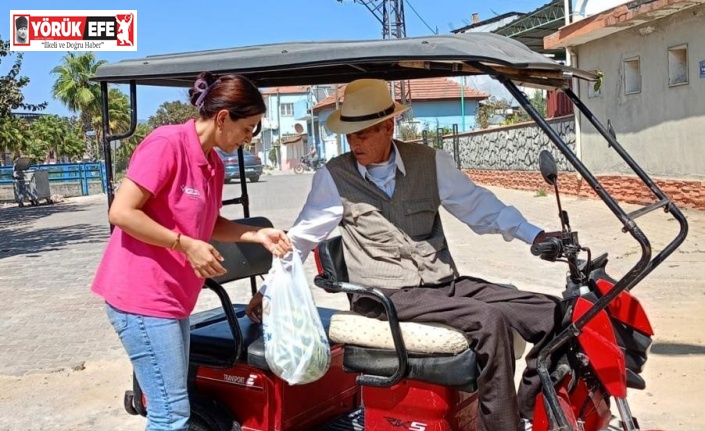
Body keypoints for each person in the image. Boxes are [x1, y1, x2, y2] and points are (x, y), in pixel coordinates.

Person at [246, 79, 560, 431]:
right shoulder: (334, 177)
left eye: (363, 133)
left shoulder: (430, 163)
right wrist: (269, 290)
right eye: (350, 135)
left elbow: (481, 208)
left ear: (388, 126)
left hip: (441, 286)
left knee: (548, 311)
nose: (355, 142)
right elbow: (300, 239)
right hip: (384, 298)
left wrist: (536, 235)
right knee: (488, 320)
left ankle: (531, 411)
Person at [91, 71, 292, 431]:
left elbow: (208, 223)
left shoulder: (212, 163)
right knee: (170, 415)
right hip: (141, 298)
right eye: (249, 128)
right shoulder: (166, 145)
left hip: (173, 300)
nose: (250, 138)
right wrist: (183, 244)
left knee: (171, 408)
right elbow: (121, 212)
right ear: (222, 118)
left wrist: (257, 234)